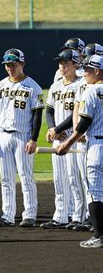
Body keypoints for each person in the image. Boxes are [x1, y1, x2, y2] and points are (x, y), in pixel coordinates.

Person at [0, 48, 44, 228]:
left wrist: (34, 138)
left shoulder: (32, 86)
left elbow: (37, 115)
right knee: (6, 178)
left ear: (22, 64)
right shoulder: (0, 86)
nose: (9, 68)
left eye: (13, 64)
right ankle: (8, 214)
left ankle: (29, 215)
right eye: (7, 65)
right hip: (3, 135)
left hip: (23, 136)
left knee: (26, 176)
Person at [57, 54, 103, 248]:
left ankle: (99, 236)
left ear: (97, 71)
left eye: (87, 70)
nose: (83, 73)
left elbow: (83, 123)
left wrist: (67, 143)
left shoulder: (90, 91)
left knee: (94, 192)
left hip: (96, 147)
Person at [41, 49, 86, 230]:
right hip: (58, 139)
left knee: (75, 178)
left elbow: (77, 112)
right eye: (60, 63)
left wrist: (58, 129)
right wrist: (52, 128)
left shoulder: (81, 85)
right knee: (59, 179)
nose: (62, 66)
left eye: (66, 63)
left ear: (76, 64)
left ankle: (79, 216)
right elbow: (49, 109)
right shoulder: (56, 85)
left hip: (74, 138)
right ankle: (60, 216)